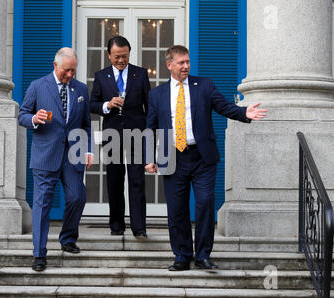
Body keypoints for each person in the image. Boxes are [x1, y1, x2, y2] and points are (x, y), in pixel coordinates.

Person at [145, 45, 267, 271]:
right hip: (172, 158)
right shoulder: (157, 95)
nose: (186, 66)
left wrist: (244, 113)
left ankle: (202, 256)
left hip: (202, 157)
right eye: (181, 63)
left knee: (204, 205)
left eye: (188, 62)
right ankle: (182, 256)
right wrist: (149, 157)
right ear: (169, 64)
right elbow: (150, 128)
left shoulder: (204, 85)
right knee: (177, 210)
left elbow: (224, 107)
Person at [18, 47, 93, 272]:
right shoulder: (37, 86)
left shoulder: (81, 89)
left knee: (77, 196)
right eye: (66, 71)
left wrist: (88, 149)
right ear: (55, 66)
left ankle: (68, 238)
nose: (70, 75)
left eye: (73, 71)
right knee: (42, 206)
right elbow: (22, 115)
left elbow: (86, 123)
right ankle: (39, 254)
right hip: (45, 155)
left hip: (73, 155)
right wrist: (33, 118)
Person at [90, 36, 151, 238]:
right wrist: (107, 105)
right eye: (117, 57)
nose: (121, 60)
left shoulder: (140, 74)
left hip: (136, 133)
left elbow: (149, 107)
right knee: (114, 181)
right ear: (109, 55)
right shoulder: (101, 76)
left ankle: (139, 228)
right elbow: (92, 104)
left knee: (137, 180)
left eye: (124, 56)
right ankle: (116, 225)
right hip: (112, 134)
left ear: (129, 53)